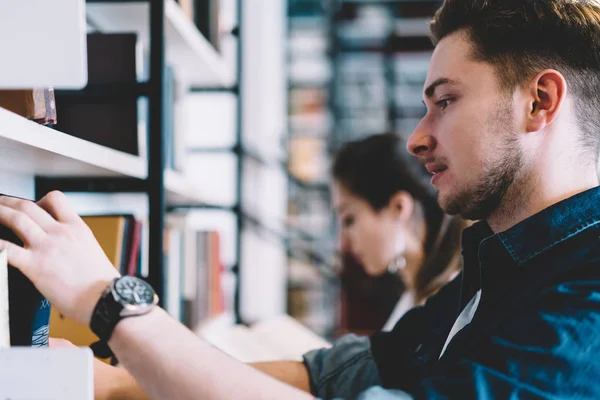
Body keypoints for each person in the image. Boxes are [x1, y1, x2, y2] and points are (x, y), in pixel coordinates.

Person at [5, 0, 600, 398]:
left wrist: (110, 304)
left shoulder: (586, 297)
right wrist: (117, 383)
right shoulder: (499, 266)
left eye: (444, 101)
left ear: (539, 101)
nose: (419, 137)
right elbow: (335, 378)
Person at [331, 133, 464, 331]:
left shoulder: (450, 306)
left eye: (349, 219)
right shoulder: (417, 294)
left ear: (398, 207)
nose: (343, 243)